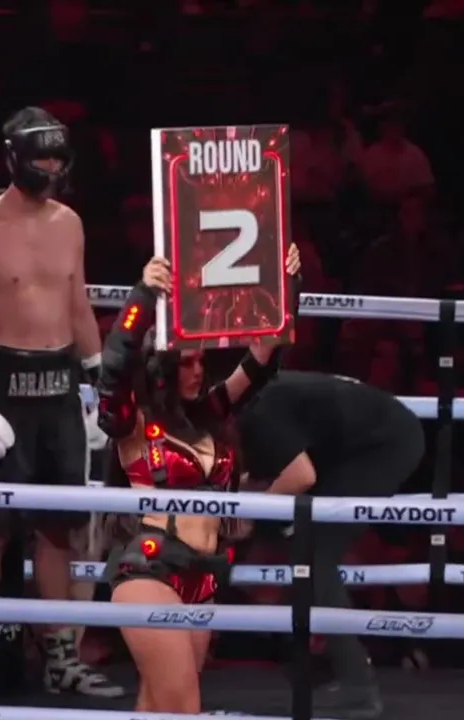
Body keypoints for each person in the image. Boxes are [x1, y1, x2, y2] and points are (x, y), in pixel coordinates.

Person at [0, 106, 115, 703]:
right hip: (2, 386)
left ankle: (61, 658)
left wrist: (98, 381)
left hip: (61, 383)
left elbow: (78, 304)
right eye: (41, 158)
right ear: (15, 158)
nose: (50, 168)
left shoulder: (70, 224)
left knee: (57, 531)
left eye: (57, 159)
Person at [97, 247, 301, 716]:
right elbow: (114, 368)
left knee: (160, 706)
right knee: (183, 705)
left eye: (200, 363)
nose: (197, 372)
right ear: (161, 368)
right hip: (150, 570)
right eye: (185, 363)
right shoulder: (135, 424)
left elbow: (261, 359)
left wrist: (288, 283)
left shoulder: (210, 414)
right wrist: (143, 294)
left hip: (204, 575)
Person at [237, 371, 426, 719]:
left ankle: (356, 686)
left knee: (314, 552)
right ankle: (321, 674)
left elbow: (301, 476)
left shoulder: (261, 408)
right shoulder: (261, 397)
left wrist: (249, 512)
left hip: (381, 445)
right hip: (351, 448)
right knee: (297, 543)